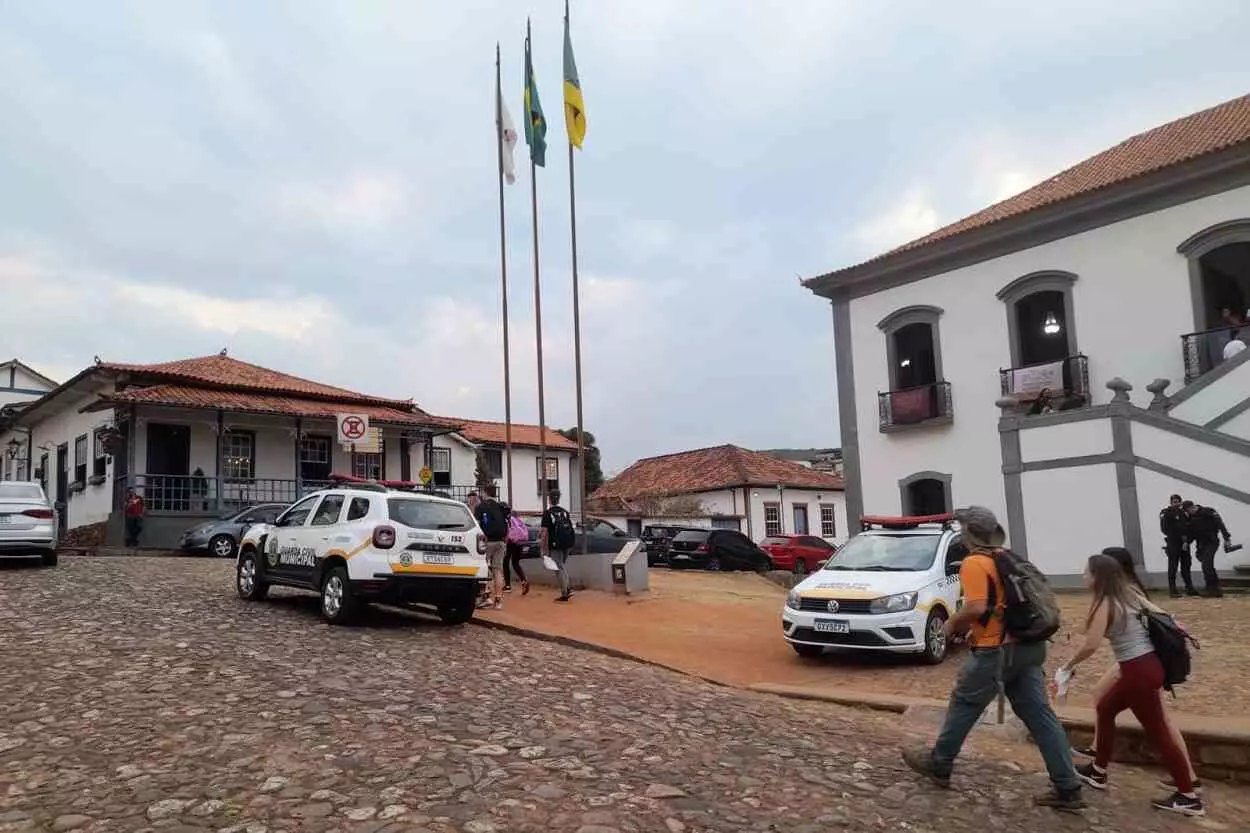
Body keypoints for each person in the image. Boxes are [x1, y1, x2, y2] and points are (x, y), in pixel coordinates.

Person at [901, 506, 1084, 811]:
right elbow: (1000, 608)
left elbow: (975, 607)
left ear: (969, 533)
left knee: (965, 703)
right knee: (1040, 717)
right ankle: (1068, 786)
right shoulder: (1005, 558)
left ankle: (940, 763)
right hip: (1029, 647)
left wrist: (950, 626)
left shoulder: (974, 563)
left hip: (998, 652)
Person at [1059, 554, 1205, 817]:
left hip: (1139, 672)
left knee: (1159, 730)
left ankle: (1188, 796)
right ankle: (1098, 770)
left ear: (1097, 577)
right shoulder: (1127, 593)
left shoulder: (1106, 601)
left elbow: (1091, 644)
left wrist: (1067, 666)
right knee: (1105, 708)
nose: (1083, 576)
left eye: (1086, 572)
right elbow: (1162, 614)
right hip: (1142, 668)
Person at [1183, 500, 1231, 598]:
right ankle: (1216, 589)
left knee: (1206, 565)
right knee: (1207, 564)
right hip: (1201, 544)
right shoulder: (1191, 517)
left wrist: (1226, 538)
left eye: (1188, 511)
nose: (1188, 513)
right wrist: (1187, 542)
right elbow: (1191, 533)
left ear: (1192, 507)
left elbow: (1220, 524)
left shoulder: (1208, 511)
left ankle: (1211, 589)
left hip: (1211, 541)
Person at [473, 487, 509, 609]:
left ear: (484, 493)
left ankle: (485, 596)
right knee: (498, 570)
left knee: (482, 568)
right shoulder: (501, 507)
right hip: (501, 541)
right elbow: (507, 524)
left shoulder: (481, 507)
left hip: (487, 541)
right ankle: (498, 600)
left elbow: (476, 526)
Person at [1159, 494, 1198, 599]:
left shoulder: (1184, 513)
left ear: (1181, 502)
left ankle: (1189, 588)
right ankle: (1173, 590)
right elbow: (1164, 529)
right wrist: (1176, 534)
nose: (1176, 504)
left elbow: (1189, 527)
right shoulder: (1166, 513)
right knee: (1173, 566)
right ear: (1171, 503)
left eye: (1178, 502)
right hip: (1173, 542)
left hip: (1185, 543)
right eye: (1174, 502)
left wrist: (1187, 540)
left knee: (1186, 566)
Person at [540, 491, 576, 603]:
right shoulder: (565, 512)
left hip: (555, 544)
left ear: (549, 499)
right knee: (561, 566)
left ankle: (565, 592)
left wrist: (542, 548)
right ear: (559, 499)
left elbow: (544, 533)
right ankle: (568, 587)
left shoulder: (547, 513)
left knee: (558, 568)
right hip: (566, 544)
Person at [503, 506, 531, 595]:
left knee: (505, 562)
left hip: (511, 542)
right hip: (519, 543)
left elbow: (506, 531)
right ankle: (523, 580)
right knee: (515, 563)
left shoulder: (508, 520)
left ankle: (507, 586)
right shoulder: (519, 521)